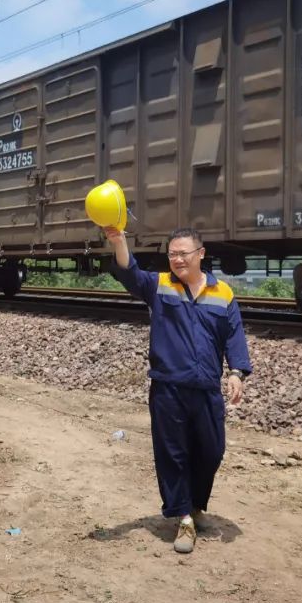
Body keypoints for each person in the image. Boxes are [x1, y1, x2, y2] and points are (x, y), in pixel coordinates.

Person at [106, 226, 251, 554]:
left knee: (212, 451)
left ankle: (196, 503)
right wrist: (118, 241)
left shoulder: (222, 293)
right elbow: (130, 274)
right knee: (173, 454)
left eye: (183, 253)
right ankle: (183, 516)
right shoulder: (159, 286)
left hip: (206, 389)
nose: (177, 260)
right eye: (172, 254)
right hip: (168, 388)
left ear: (201, 254)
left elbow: (234, 335)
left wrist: (237, 372)